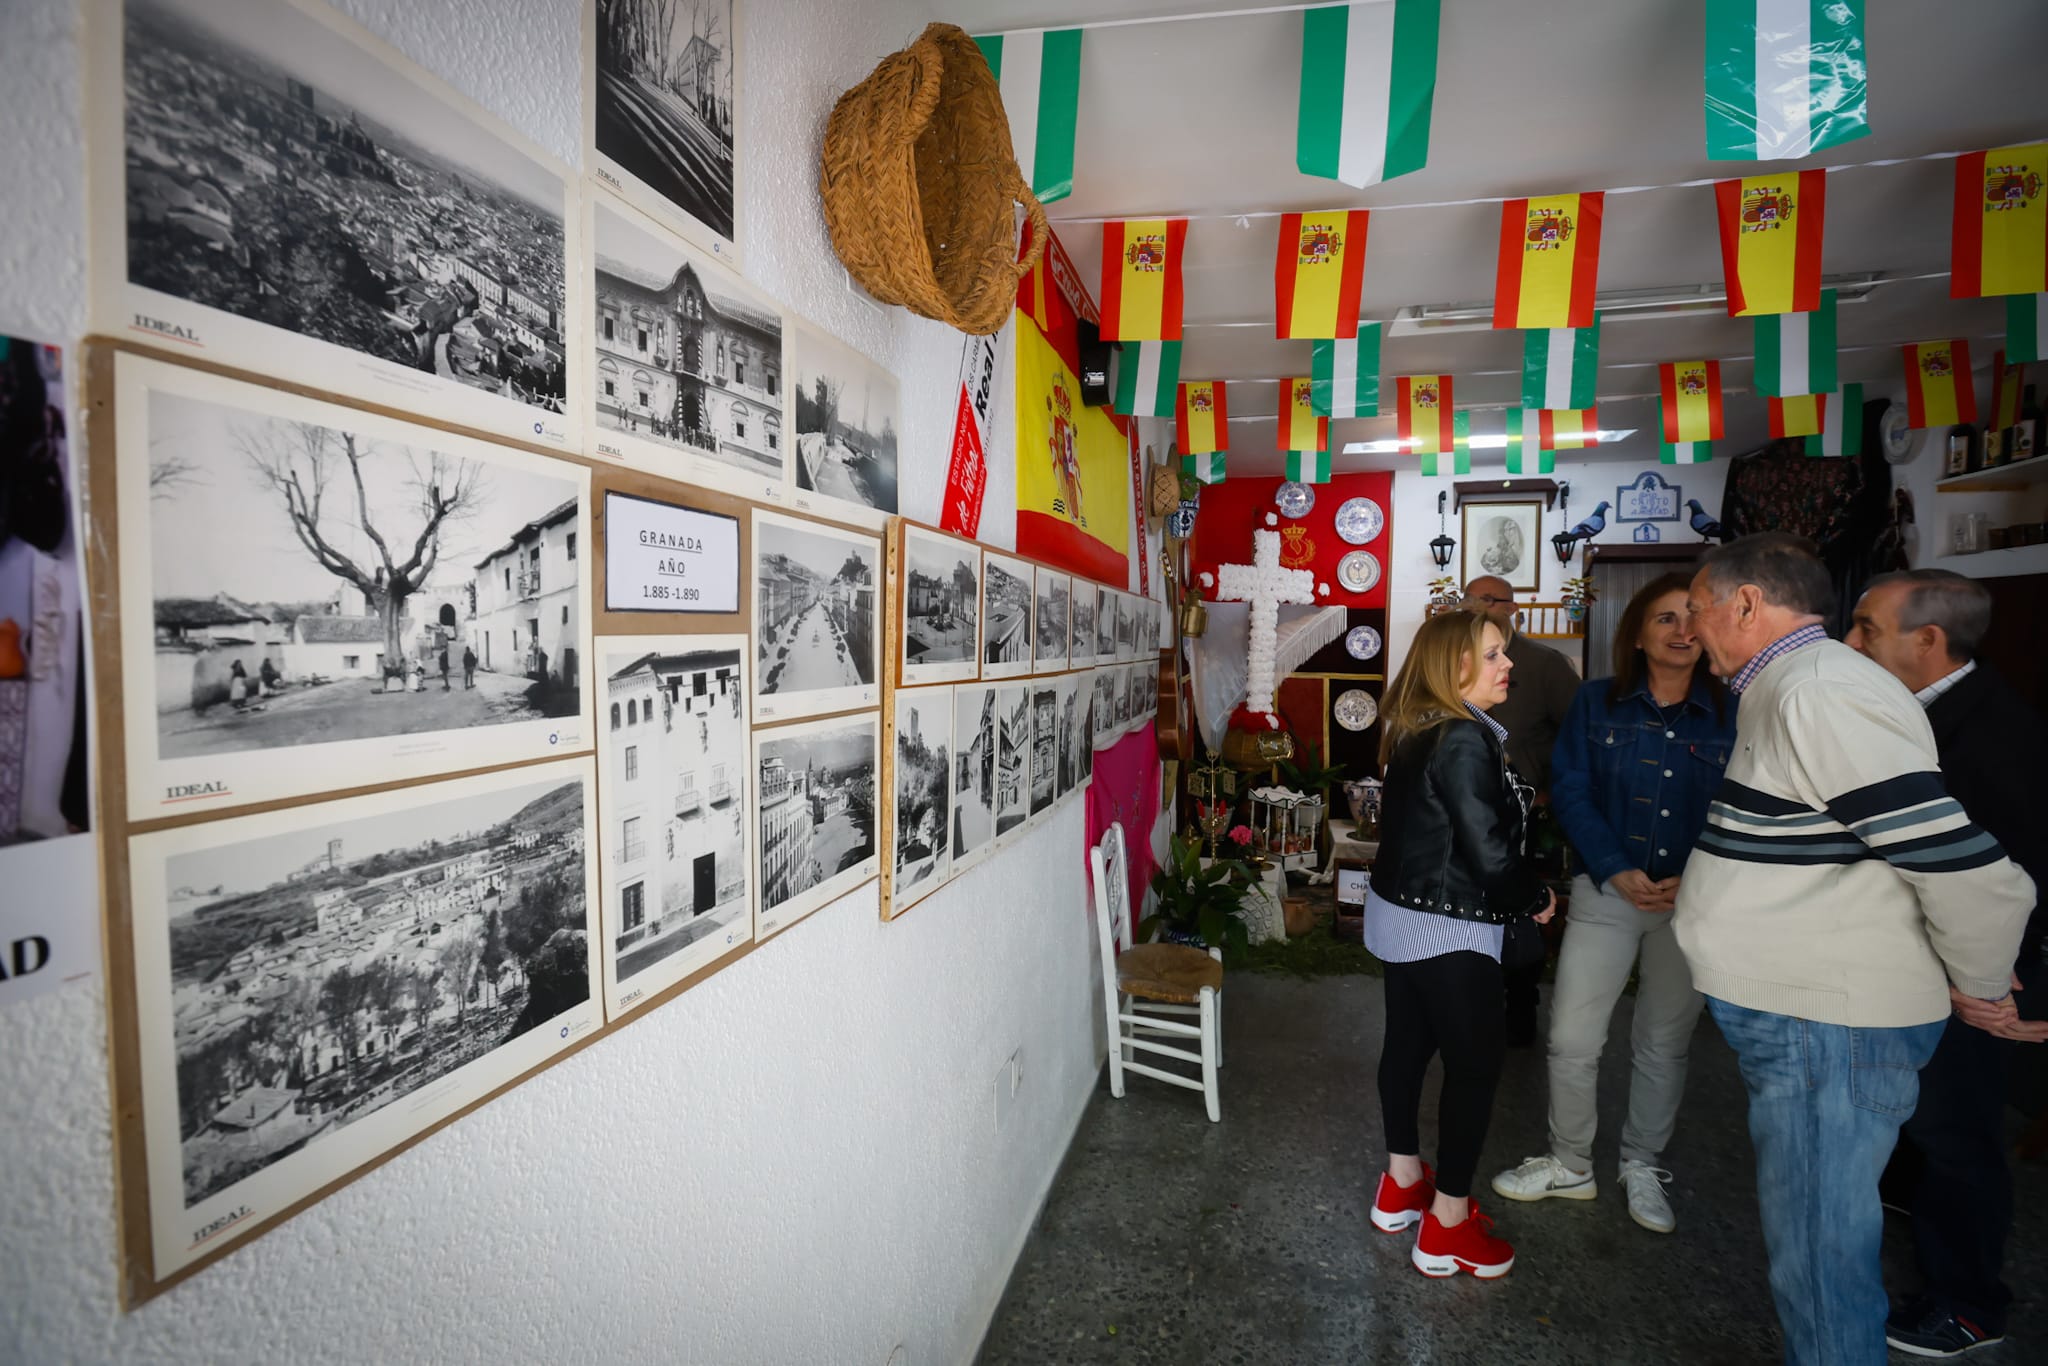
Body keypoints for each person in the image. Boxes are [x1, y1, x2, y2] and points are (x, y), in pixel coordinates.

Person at [1673, 534, 2035, 1366]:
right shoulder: (1793, 686)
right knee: (1815, 1248)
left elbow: (1967, 867)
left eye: (1698, 609)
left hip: (1823, 1025)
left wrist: (1979, 982)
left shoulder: (1821, 690)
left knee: (1820, 1258)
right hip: (1811, 1014)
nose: (1691, 628)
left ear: (1748, 606)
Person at [1491, 573, 1735, 1234]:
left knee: (1663, 1039)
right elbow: (1571, 790)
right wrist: (1616, 867)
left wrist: (1695, 873)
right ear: (1637, 634)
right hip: (1608, 890)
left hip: (1695, 900)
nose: (1682, 630)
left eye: (1692, 617)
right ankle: (1570, 1162)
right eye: (1664, 619)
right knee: (1573, 1036)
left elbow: (1745, 804)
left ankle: (1641, 1164)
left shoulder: (1734, 709)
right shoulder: (1598, 702)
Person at [1845, 569, 2048, 1358]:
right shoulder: (1918, 713)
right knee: (1927, 1134)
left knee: (1960, 1137)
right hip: (1916, 966)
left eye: (1868, 628)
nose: (1852, 642)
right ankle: (1930, 1257)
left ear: (1928, 641)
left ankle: (1969, 1306)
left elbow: (2021, 872)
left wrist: (2008, 983)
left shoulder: (1995, 733)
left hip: (1977, 978)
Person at [1365, 609, 1556, 1280]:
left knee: (1408, 1049)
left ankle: (1402, 1183)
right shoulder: (1465, 738)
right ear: (1457, 665)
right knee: (1475, 1068)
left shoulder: (1418, 727)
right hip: (1448, 926)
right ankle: (1446, 1226)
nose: (1510, 665)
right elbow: (1488, 850)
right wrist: (1534, 897)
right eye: (1496, 654)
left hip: (1402, 915)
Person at [1461, 574, 1580, 1044]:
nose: (1475, 607)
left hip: (1528, 814)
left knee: (1523, 919)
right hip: (1472, 813)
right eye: (1469, 600)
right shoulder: (1456, 659)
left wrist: (1551, 790)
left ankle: (1521, 1008)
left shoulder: (1544, 665)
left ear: (1512, 608)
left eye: (1486, 601)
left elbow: (1580, 732)